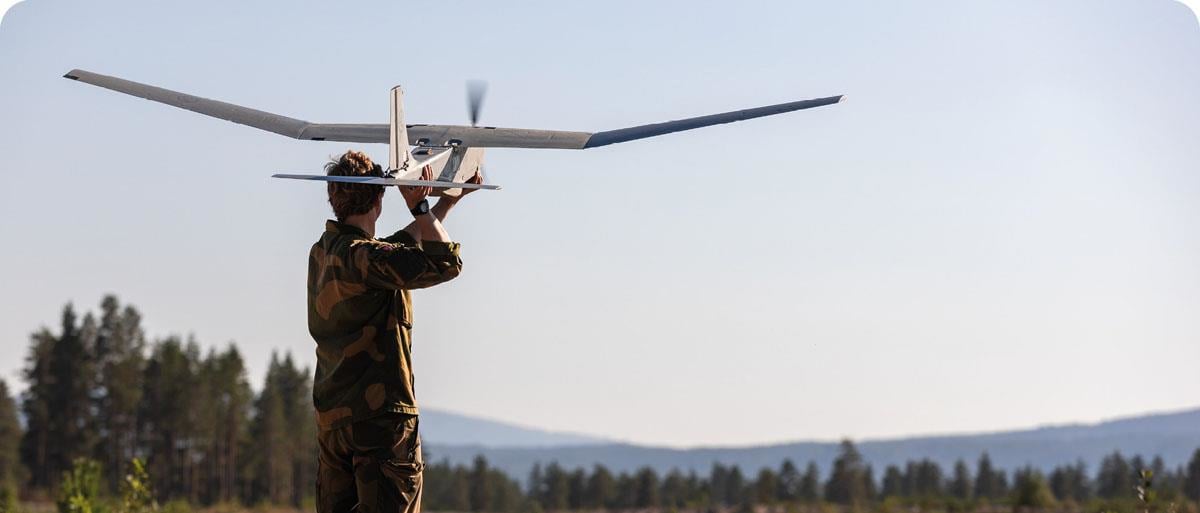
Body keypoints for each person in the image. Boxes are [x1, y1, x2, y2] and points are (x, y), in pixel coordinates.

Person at [309, 150, 481, 513]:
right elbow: (445, 263)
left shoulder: (325, 252)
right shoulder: (368, 258)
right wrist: (421, 208)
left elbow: (395, 248)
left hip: (334, 421)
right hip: (381, 421)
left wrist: (445, 204)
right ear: (378, 199)